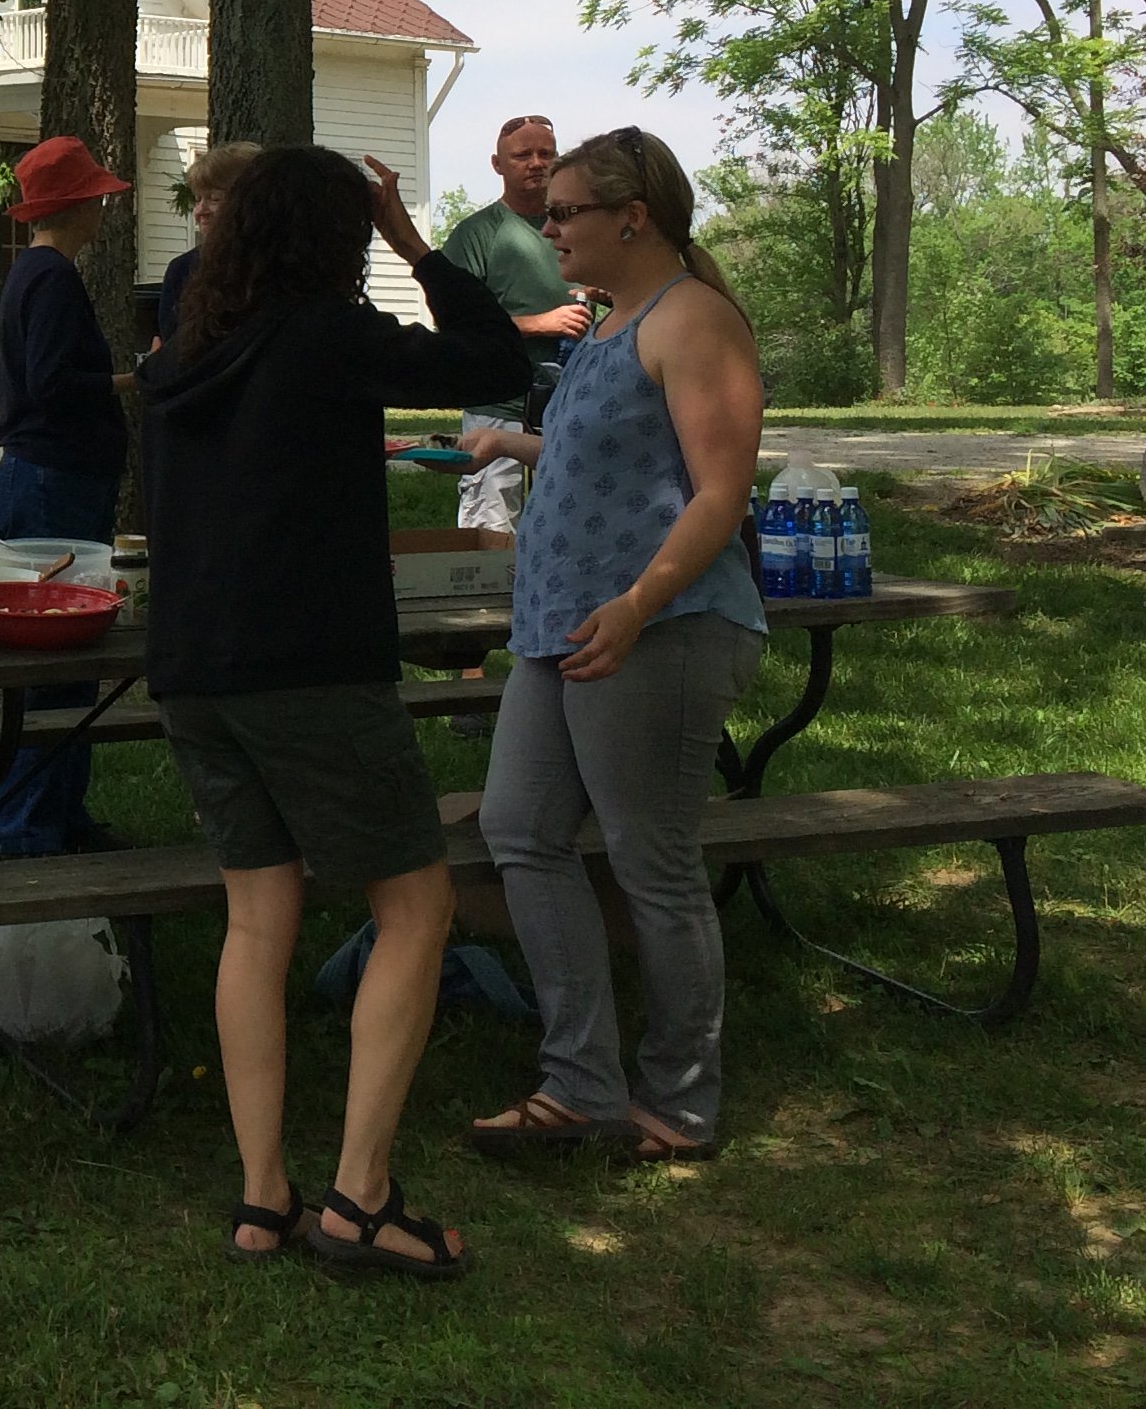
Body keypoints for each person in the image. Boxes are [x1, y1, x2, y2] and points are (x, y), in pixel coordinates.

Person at [140, 144, 528, 1277]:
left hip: (193, 670)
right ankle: (360, 1199)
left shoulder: (183, 351)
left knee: (256, 919)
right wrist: (419, 247)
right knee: (415, 906)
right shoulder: (326, 336)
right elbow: (497, 359)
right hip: (309, 666)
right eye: (360, 234)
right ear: (337, 241)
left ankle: (263, 1198)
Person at [462, 127, 767, 1167]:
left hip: (659, 629)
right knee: (519, 828)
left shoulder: (695, 318)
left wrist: (638, 604)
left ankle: (680, 1101)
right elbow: (605, 450)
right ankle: (582, 1082)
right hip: (561, 630)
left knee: (653, 864)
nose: (547, 229)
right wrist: (514, 442)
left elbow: (720, 492)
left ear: (632, 217)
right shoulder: (608, 323)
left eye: (564, 213)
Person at [0, 135, 134, 858]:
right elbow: (50, 383)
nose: (104, 208)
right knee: (50, 663)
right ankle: (27, 835)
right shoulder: (51, 277)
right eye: (96, 197)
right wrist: (134, 380)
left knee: (73, 662)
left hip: (55, 478)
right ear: (78, 206)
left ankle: (61, 817)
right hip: (52, 482)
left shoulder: (36, 270)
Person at [436, 115, 594, 530]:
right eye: (522, 155)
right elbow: (454, 328)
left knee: (568, 527)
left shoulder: (579, 230)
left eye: (546, 153)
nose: (536, 163)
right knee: (491, 531)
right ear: (497, 165)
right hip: (496, 405)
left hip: (572, 405)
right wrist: (541, 323)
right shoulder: (476, 235)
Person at [149, 139, 262, 353]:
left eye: (214, 199)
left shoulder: (283, 266)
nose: (200, 211)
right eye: (198, 199)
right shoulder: (183, 269)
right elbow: (174, 350)